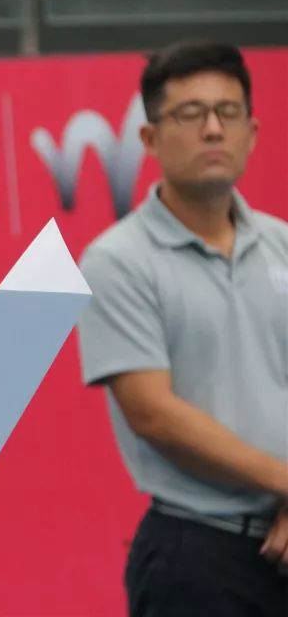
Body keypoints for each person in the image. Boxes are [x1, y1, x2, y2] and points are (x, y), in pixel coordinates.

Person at [77, 41, 288, 617]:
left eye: (229, 112)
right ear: (149, 138)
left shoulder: (282, 244)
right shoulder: (118, 260)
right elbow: (154, 415)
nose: (213, 129)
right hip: (199, 554)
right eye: (191, 114)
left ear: (252, 131)